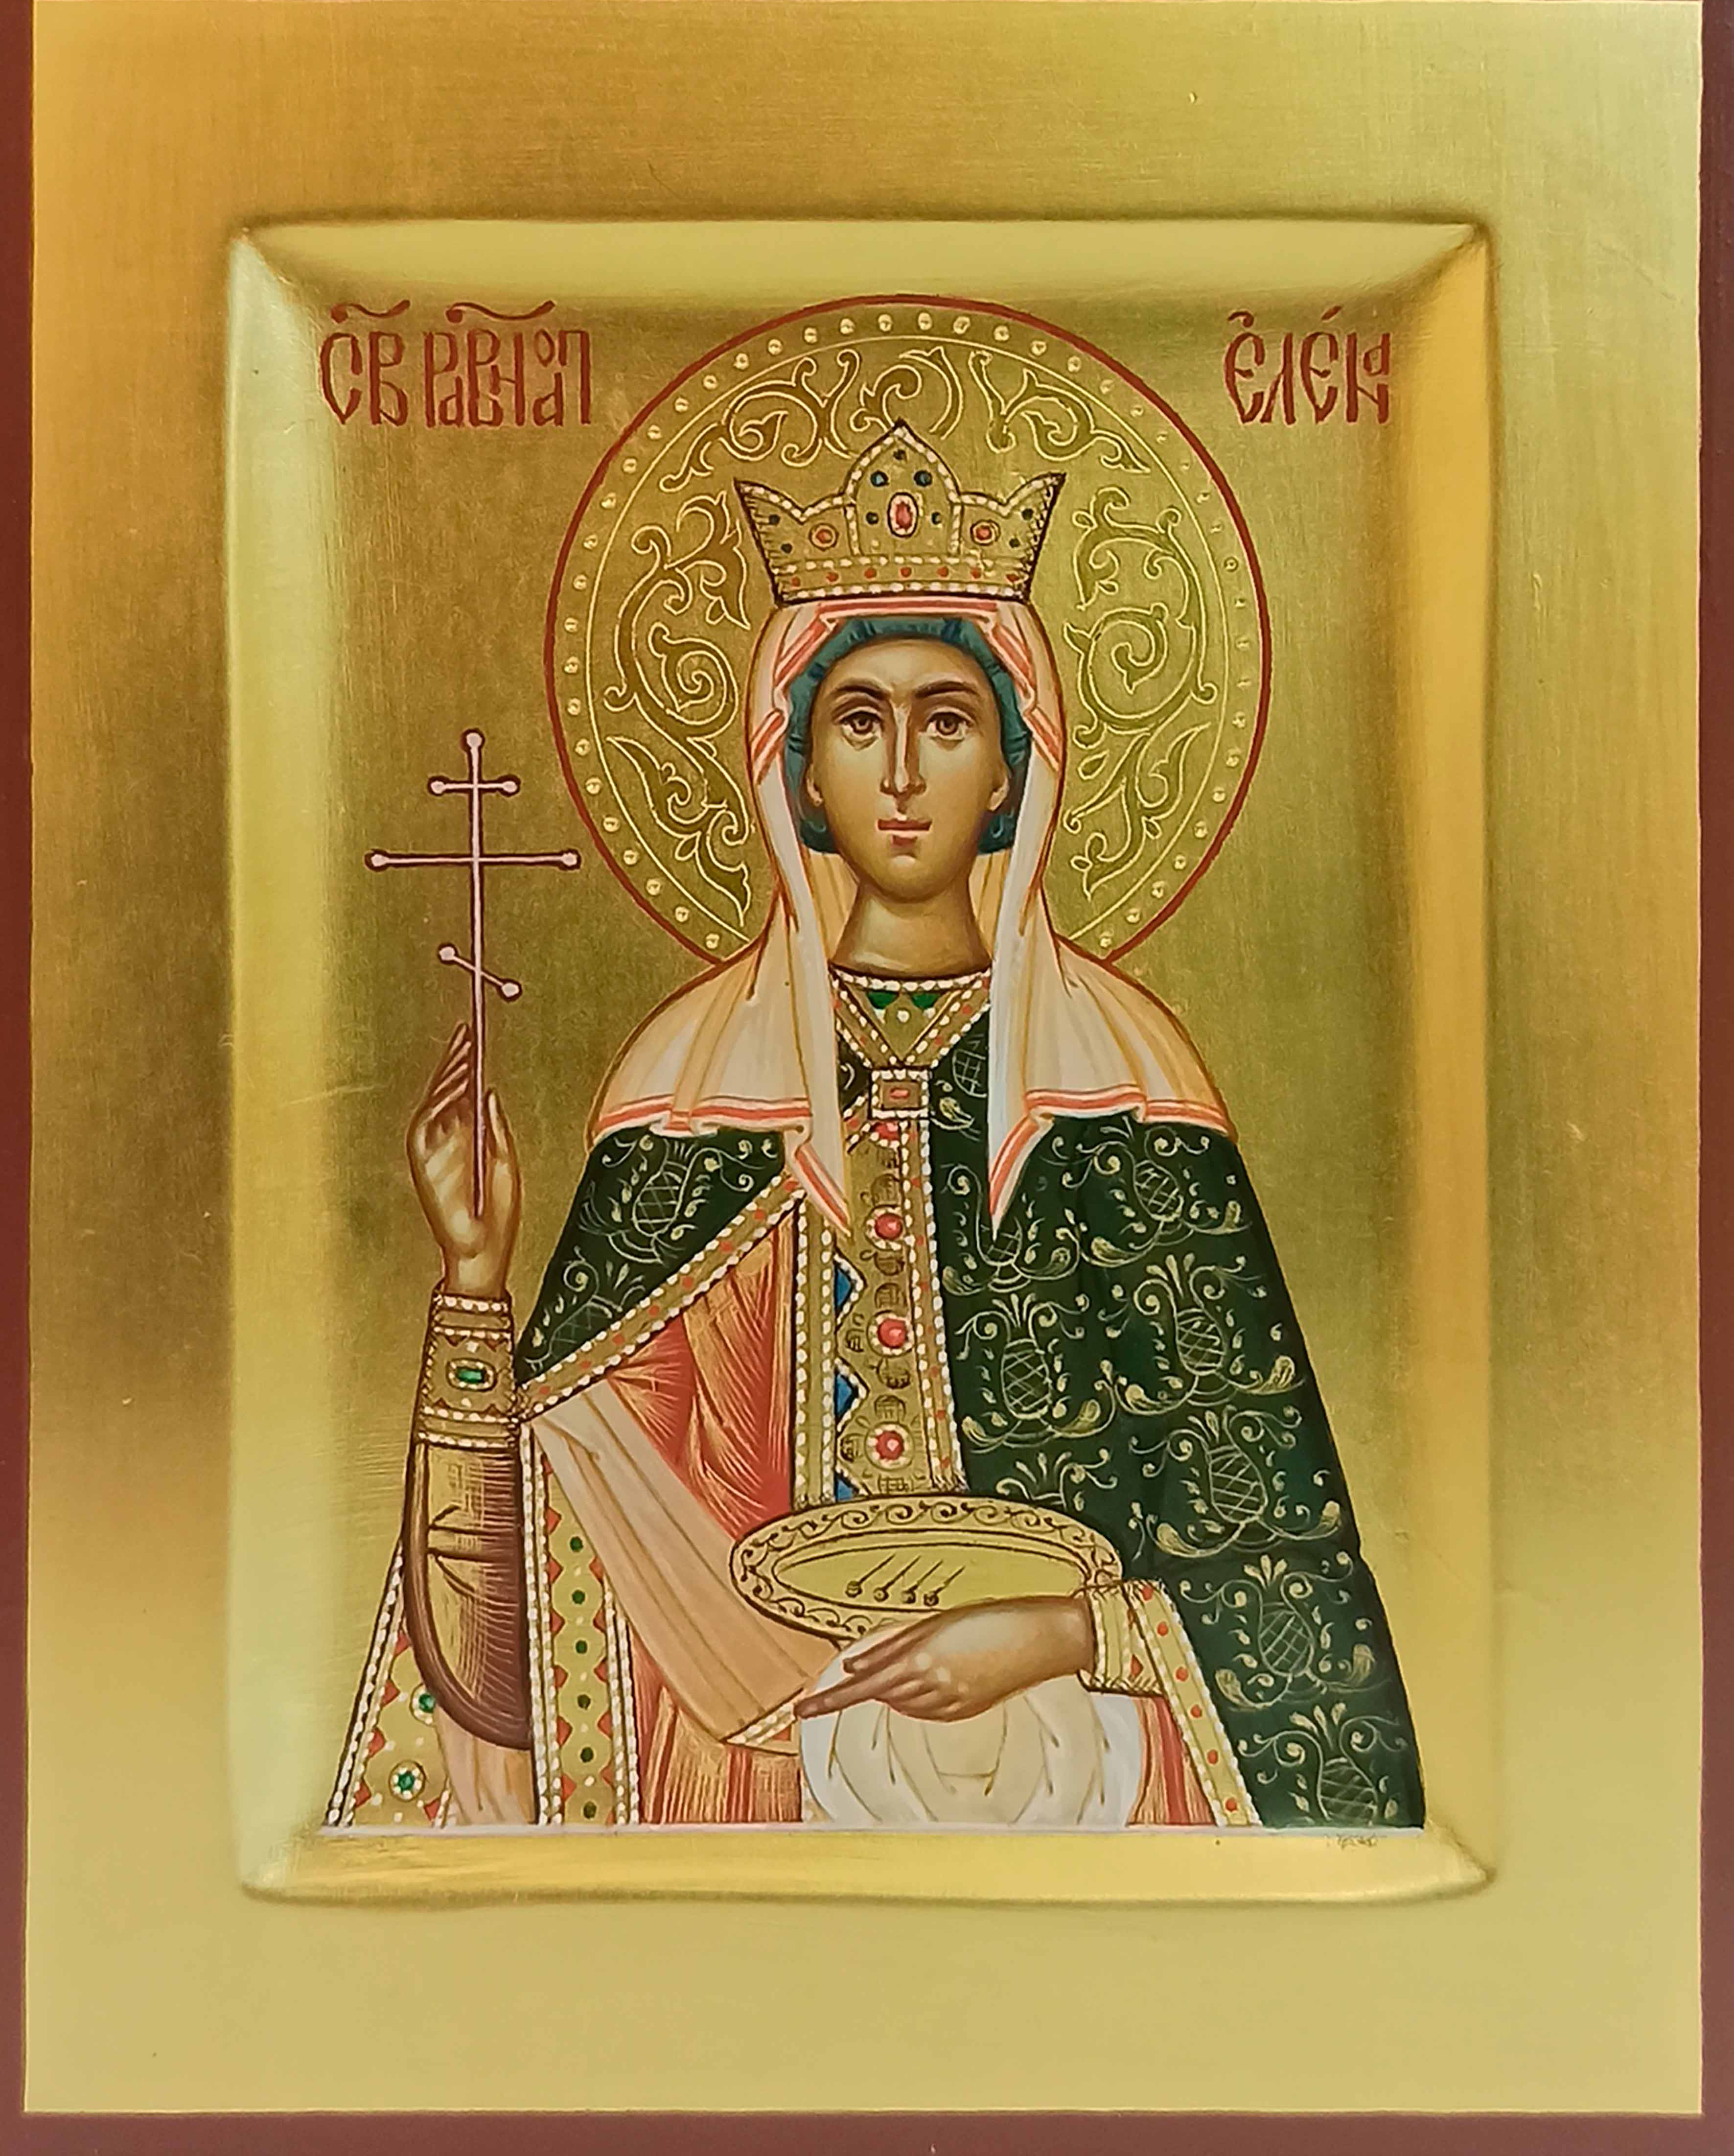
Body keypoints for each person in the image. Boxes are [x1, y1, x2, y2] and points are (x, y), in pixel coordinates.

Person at [328, 423, 1423, 1834]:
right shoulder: (693, 1085)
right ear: (797, 773)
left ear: (1015, 769)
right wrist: (477, 1285)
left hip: (1089, 1768)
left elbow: (1282, 1571)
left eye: (948, 721)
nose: (902, 771)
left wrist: (1066, 1635)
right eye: (859, 722)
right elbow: (550, 1565)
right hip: (746, 1779)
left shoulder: (1123, 1085)